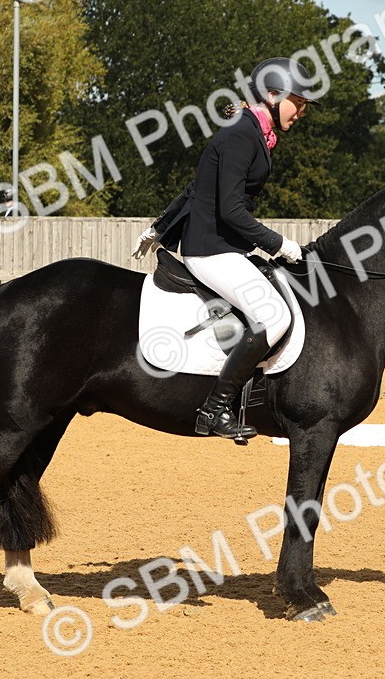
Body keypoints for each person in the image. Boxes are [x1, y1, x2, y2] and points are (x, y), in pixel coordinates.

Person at [131, 57, 318, 440]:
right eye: (297, 102)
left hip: (226, 246)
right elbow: (230, 209)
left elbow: (199, 186)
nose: (300, 112)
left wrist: (160, 224)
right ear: (272, 94)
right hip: (211, 250)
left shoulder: (253, 130)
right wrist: (280, 245)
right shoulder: (241, 134)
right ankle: (214, 409)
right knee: (274, 316)